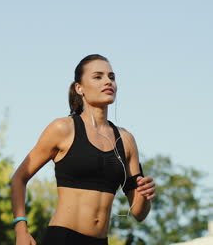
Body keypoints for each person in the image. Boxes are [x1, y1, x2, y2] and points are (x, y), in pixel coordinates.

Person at [11, 54, 156, 245]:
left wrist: (145, 195)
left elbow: (138, 213)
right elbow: (19, 178)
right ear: (79, 88)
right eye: (98, 77)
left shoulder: (126, 140)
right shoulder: (63, 128)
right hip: (63, 238)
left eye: (111, 77)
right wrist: (21, 229)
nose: (107, 81)